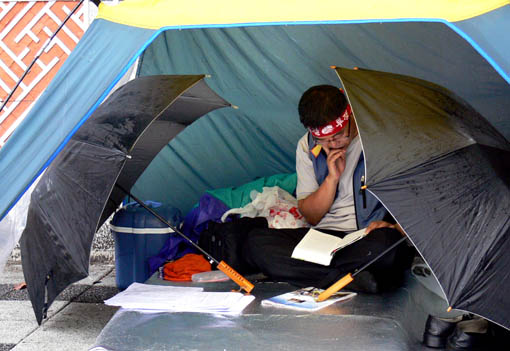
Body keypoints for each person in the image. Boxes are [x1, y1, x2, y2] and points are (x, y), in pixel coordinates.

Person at [242, 85, 413, 292]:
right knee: (256, 242)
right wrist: (331, 179)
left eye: (339, 135)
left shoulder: (381, 140)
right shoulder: (307, 146)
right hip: (323, 238)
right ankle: (349, 279)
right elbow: (311, 216)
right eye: (323, 140)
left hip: (365, 237)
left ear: (348, 115)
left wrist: (395, 228)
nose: (333, 144)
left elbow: (416, 202)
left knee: (389, 245)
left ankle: (318, 276)